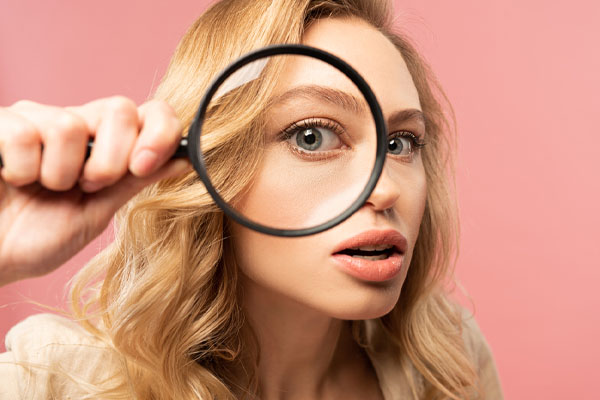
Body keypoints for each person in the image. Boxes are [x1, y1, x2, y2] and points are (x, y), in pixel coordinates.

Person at [0, 0, 503, 398]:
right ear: (211, 164)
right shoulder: (54, 379)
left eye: (400, 143)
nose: (387, 187)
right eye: (312, 136)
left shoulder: (446, 366)